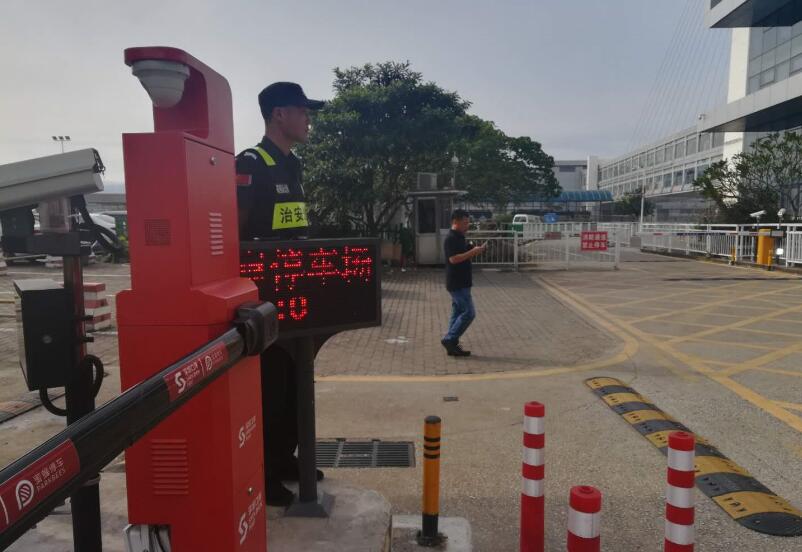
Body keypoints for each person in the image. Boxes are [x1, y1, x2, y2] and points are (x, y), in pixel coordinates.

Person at [236, 82, 325, 507]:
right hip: (262, 297)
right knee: (269, 390)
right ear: (278, 115)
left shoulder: (293, 165)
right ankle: (264, 473)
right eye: (302, 111)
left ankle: (284, 458)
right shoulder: (251, 164)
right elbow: (235, 234)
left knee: (294, 385)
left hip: (293, 292)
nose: (308, 119)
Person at [441, 209, 486, 356]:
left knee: (457, 313)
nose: (467, 226)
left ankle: (452, 344)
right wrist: (472, 252)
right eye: (465, 223)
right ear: (455, 222)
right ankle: (449, 339)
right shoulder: (451, 238)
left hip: (463, 282)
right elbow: (453, 259)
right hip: (457, 283)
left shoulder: (460, 237)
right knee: (469, 313)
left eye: (468, 223)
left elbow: (461, 254)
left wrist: (470, 249)